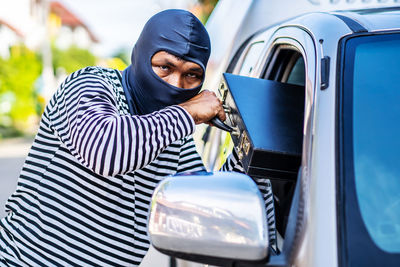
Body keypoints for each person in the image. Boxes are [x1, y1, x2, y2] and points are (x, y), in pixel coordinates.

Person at [0, 9, 275, 266]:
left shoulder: (174, 137)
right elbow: (106, 152)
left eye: (192, 75)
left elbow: (209, 208)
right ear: (141, 55)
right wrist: (188, 112)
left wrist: (251, 146)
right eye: (164, 67)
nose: (176, 85)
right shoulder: (89, 85)